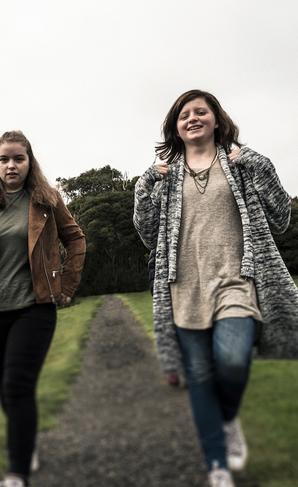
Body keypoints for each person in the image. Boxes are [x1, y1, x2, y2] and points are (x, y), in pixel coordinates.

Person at [133, 89, 298, 487]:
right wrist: (145, 185)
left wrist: (255, 161)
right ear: (175, 127)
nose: (192, 118)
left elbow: (281, 216)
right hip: (183, 287)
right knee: (201, 378)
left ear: (215, 119)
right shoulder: (165, 175)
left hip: (236, 281)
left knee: (233, 359)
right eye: (183, 114)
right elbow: (146, 232)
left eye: (200, 111)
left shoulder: (242, 164)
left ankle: (226, 418)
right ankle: (217, 466)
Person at [0, 130, 86, 487]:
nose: (11, 165)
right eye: (4, 159)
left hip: (34, 307)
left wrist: (65, 285)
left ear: (29, 161)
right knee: (6, 389)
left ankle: (17, 473)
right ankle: (25, 442)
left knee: (18, 385)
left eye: (18, 158)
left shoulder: (47, 201)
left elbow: (76, 239)